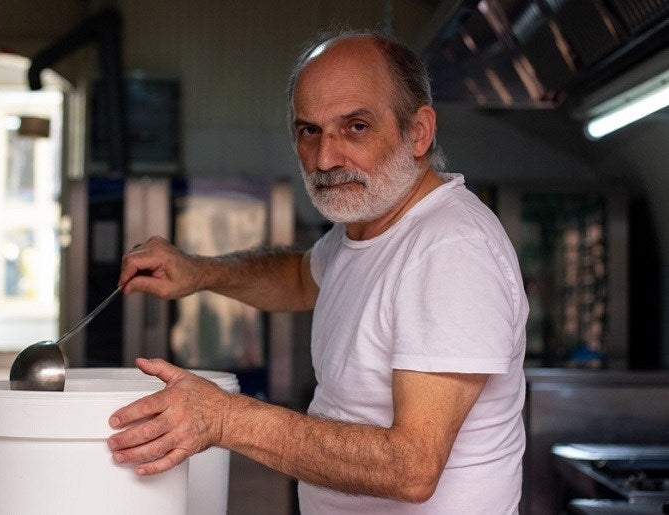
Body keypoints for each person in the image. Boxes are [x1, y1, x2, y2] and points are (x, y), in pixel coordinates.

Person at [107, 29, 527, 514]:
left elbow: (411, 467)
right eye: (310, 131)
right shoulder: (369, 226)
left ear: (418, 132)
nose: (326, 159)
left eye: (356, 127)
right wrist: (198, 271)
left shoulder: (449, 250)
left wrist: (225, 419)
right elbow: (301, 278)